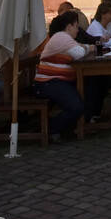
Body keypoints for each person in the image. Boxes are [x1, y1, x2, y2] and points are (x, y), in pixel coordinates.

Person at [32, 10, 91, 141]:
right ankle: (50, 127)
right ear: (69, 26)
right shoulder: (62, 37)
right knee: (76, 107)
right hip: (48, 82)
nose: (78, 30)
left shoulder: (64, 38)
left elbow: (80, 49)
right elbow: (79, 52)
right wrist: (88, 48)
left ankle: (70, 126)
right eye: (76, 26)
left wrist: (84, 47)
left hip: (57, 81)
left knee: (89, 90)